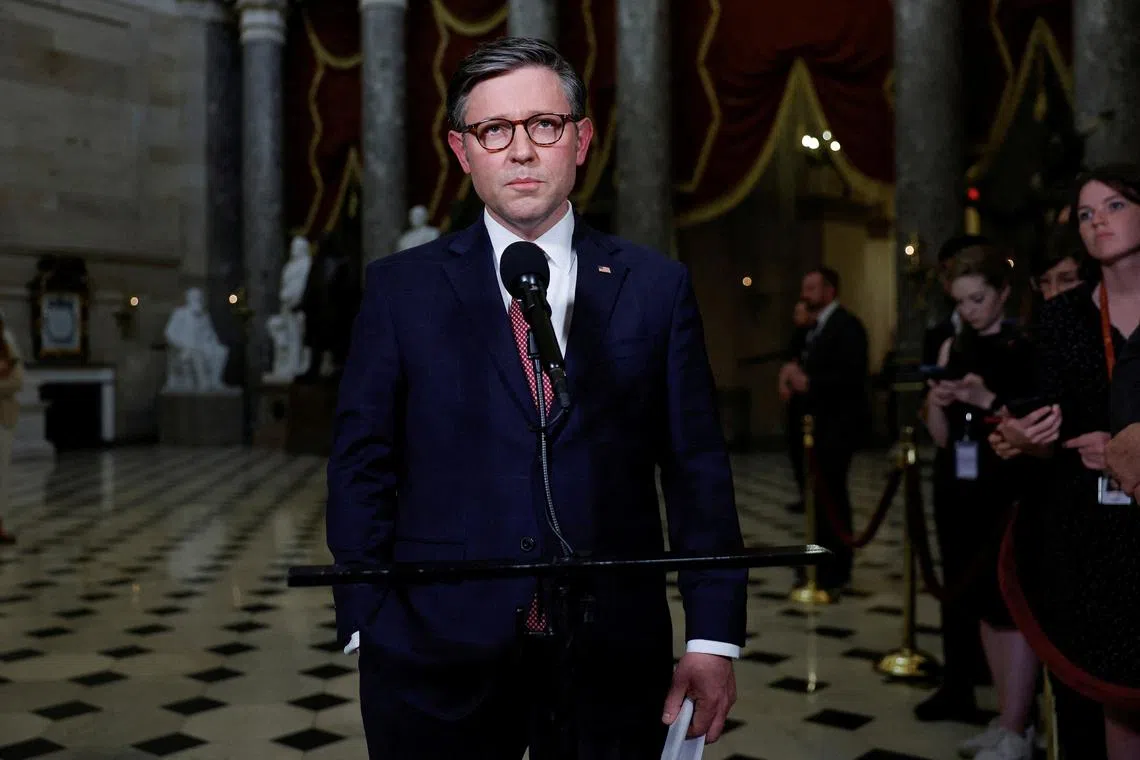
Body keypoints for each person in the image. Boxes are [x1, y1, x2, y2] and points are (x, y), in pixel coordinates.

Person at [325, 37, 747, 760]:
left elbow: (695, 468)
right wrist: (368, 614)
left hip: (610, 651)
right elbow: (363, 460)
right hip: (434, 650)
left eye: (543, 125)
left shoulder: (653, 287)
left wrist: (712, 636)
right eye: (495, 130)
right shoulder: (402, 288)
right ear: (464, 151)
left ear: (581, 140)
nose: (520, 150)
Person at [992, 164, 1140, 760]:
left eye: (1114, 206)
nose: (1097, 221)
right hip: (1085, 531)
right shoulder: (1062, 316)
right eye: (1085, 213)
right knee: (1083, 701)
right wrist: (1028, 438)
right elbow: (1047, 416)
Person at [920, 244, 1038, 759]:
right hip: (959, 485)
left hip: (1007, 487)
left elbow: (1035, 423)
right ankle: (1004, 718)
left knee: (1011, 607)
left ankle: (1018, 724)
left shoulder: (1026, 346)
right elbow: (941, 437)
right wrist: (938, 400)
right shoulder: (952, 345)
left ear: (1003, 293)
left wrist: (983, 398)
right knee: (981, 606)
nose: (970, 310)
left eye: (978, 299)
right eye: (961, 301)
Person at [780, 268, 869, 594]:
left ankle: (837, 568)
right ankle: (819, 563)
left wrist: (811, 383)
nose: (805, 293)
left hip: (837, 426)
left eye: (812, 288)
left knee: (832, 496)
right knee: (815, 498)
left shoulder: (846, 326)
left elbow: (852, 376)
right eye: (804, 287)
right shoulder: (811, 328)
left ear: (830, 291)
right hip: (812, 427)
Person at [778, 299, 815, 513]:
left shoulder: (813, 335)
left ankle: (811, 498)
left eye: (799, 312)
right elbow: (788, 364)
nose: (796, 316)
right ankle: (804, 495)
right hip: (796, 403)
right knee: (795, 451)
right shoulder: (797, 336)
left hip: (810, 403)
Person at [0, 317, 23, 545]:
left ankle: (0, 524)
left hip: (3, 417)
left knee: (2, 475)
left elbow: (17, 381)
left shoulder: (7, 345)